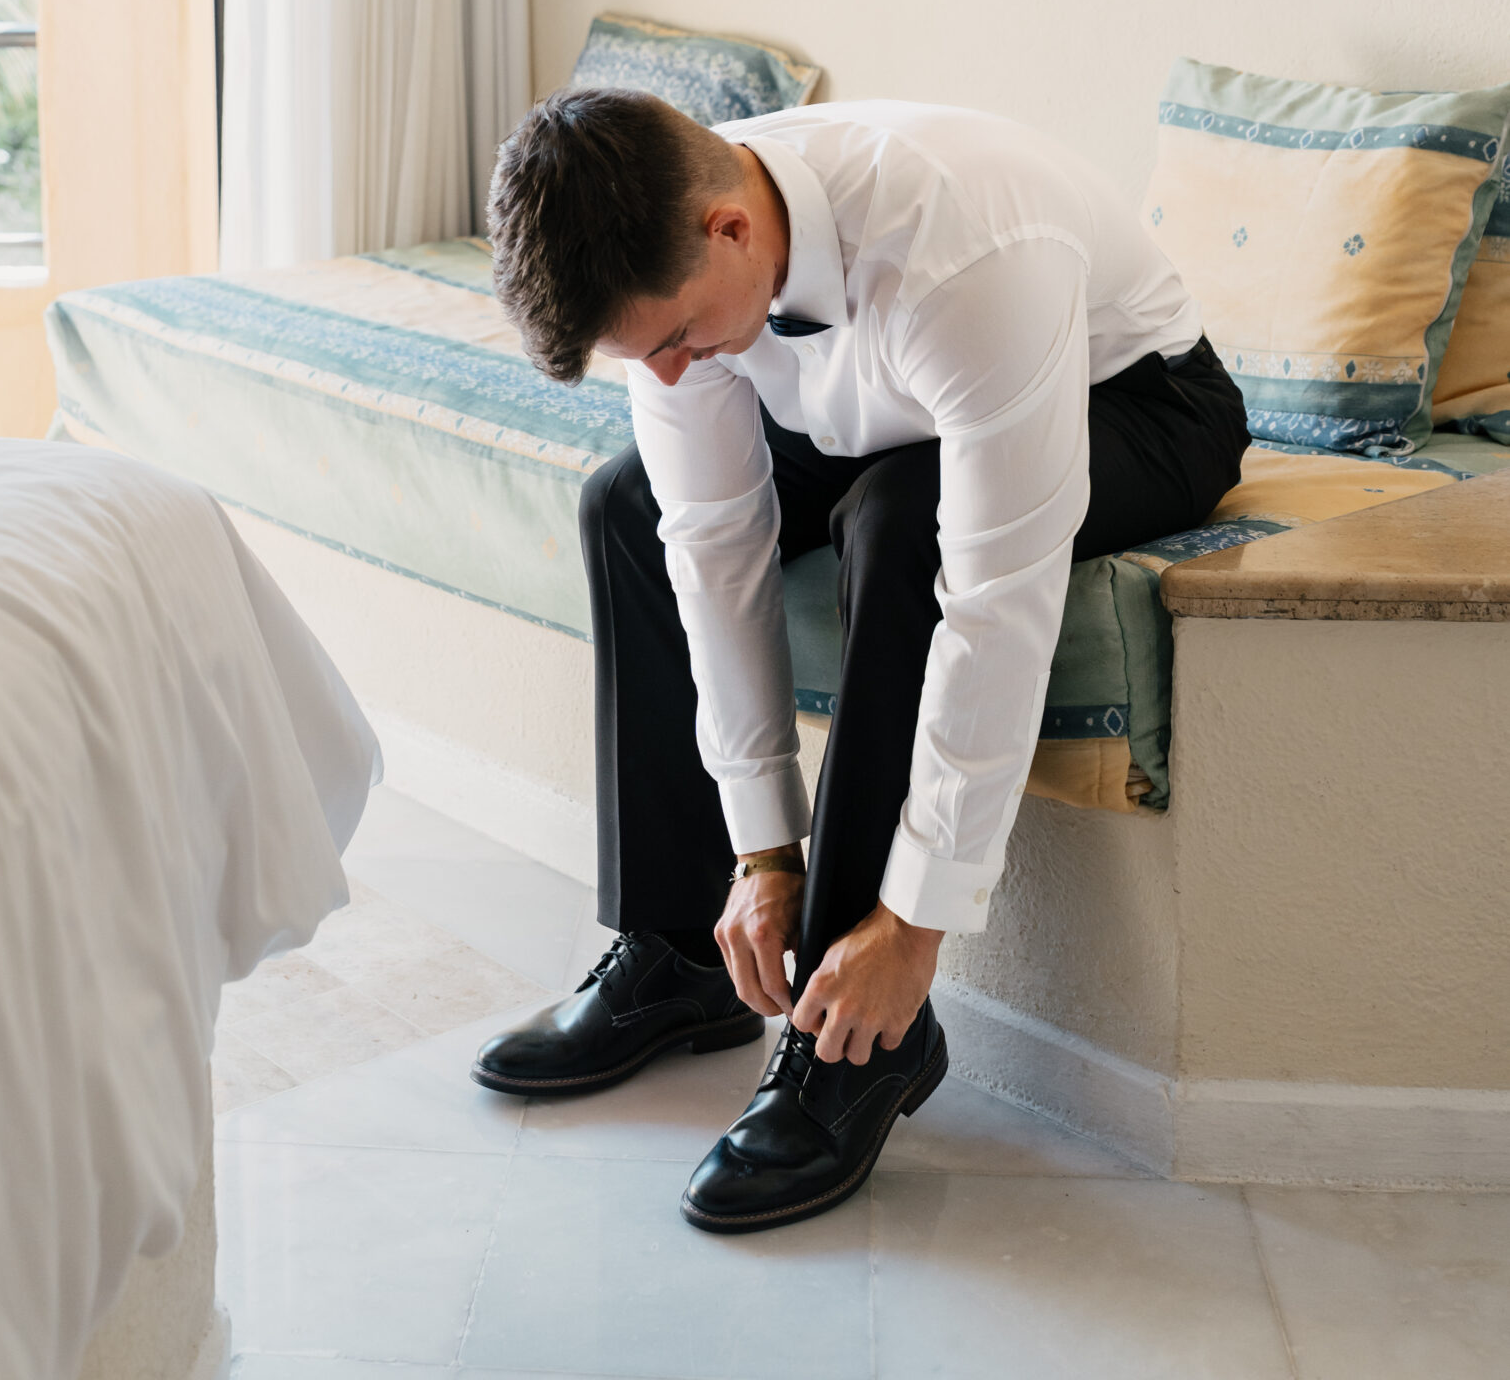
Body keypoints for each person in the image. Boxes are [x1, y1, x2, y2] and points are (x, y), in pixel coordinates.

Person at [471, 90, 1248, 1232]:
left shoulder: (968, 250)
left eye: (679, 337)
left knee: (900, 520)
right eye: (649, 357)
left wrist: (916, 924)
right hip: (897, 404)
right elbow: (713, 544)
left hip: (1133, 398)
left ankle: (859, 1039)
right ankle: (683, 956)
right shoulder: (680, 271)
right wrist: (760, 853)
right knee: (629, 505)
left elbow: (997, 603)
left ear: (731, 228)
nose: (674, 374)